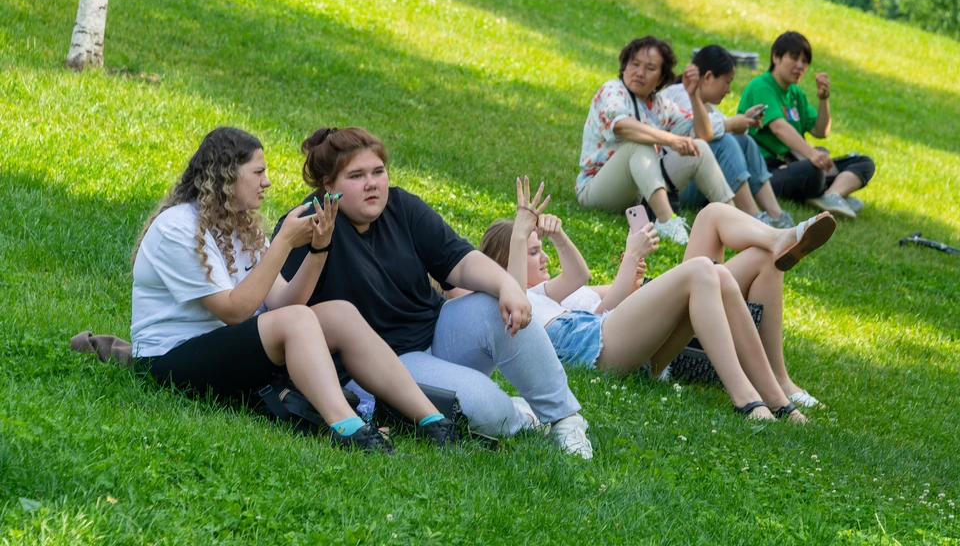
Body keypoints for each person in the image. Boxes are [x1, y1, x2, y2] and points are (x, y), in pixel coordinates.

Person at [131, 127, 458, 454]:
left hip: (228, 351)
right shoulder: (177, 228)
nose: (267, 182)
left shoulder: (243, 227)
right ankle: (349, 429)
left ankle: (433, 421)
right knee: (296, 321)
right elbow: (233, 312)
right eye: (258, 172)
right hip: (170, 360)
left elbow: (286, 301)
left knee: (338, 313)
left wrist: (319, 248)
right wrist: (284, 242)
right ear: (227, 176)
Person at [274, 127, 593, 459]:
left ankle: (565, 420)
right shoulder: (306, 223)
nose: (372, 183)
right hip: (384, 364)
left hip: (439, 332)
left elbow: (460, 261)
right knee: (490, 411)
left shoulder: (402, 206)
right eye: (356, 175)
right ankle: (523, 417)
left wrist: (508, 286)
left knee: (494, 304)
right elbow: (285, 310)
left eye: (378, 172)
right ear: (328, 185)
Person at [481, 178, 838, 419]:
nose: (542, 258)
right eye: (532, 253)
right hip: (599, 346)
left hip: (622, 338)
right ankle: (746, 400)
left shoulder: (548, 294)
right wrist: (519, 234)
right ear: (507, 262)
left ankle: (778, 401)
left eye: (538, 250)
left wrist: (558, 238)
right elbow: (516, 295)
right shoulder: (516, 301)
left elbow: (582, 278)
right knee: (703, 269)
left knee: (718, 272)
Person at [576, 36, 735, 245]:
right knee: (638, 143)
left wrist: (694, 95)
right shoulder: (613, 90)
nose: (640, 73)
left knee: (700, 148)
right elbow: (623, 126)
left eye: (650, 68)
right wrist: (670, 139)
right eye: (634, 64)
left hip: (640, 194)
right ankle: (667, 221)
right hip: (597, 190)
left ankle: (734, 221)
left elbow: (704, 133)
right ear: (624, 67)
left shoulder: (661, 105)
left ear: (661, 78)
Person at [738, 31, 876, 219]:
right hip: (767, 170)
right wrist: (813, 155)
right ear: (776, 56)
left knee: (864, 163)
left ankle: (831, 195)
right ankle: (827, 193)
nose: (800, 66)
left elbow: (821, 131)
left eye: (804, 61)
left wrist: (823, 99)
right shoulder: (762, 86)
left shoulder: (796, 94)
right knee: (813, 169)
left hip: (795, 162)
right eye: (794, 58)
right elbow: (778, 128)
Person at [661, 44, 795, 228]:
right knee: (723, 141)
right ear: (708, 77)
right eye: (727, 82)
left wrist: (744, 121)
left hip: (694, 181)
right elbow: (704, 132)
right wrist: (733, 123)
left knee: (744, 141)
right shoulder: (680, 95)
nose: (729, 90)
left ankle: (776, 214)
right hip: (673, 188)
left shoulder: (704, 103)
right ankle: (753, 218)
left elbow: (720, 126)